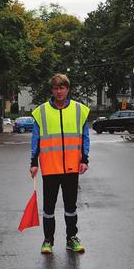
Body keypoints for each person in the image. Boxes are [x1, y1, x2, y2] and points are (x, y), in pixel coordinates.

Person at [29, 74, 90, 254]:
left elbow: (85, 136)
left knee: (71, 207)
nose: (59, 91)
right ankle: (48, 240)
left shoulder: (80, 110)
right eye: (56, 88)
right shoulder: (41, 112)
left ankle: (71, 238)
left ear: (67, 89)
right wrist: (33, 162)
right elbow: (36, 140)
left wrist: (84, 159)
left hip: (72, 167)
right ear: (52, 90)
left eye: (62, 88)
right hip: (50, 168)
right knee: (49, 208)